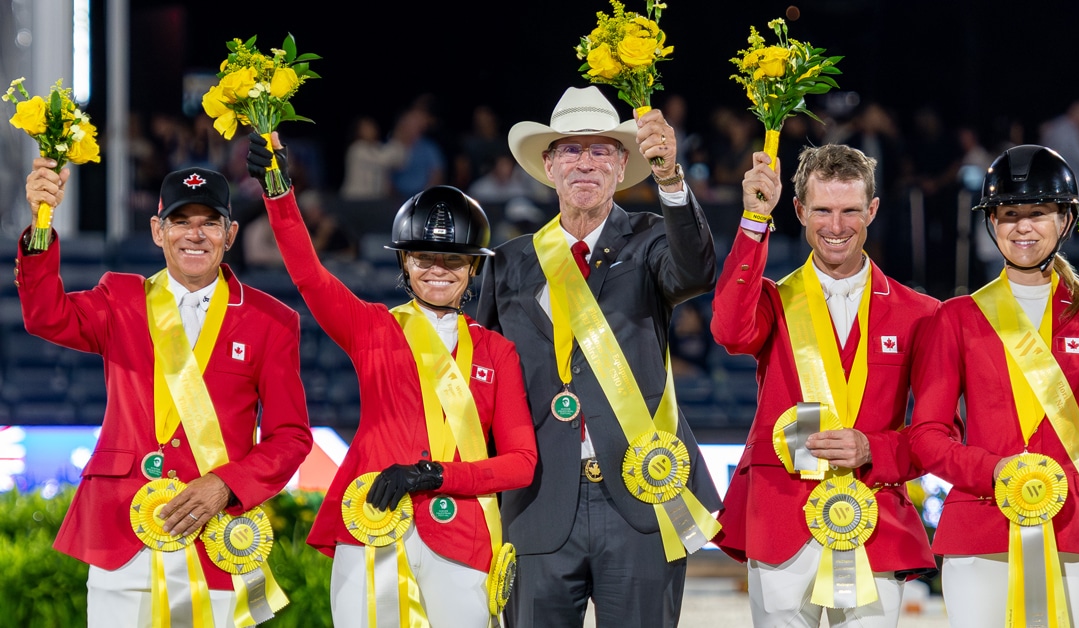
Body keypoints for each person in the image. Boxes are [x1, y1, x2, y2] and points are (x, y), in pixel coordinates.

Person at [247, 133, 537, 627]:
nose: (437, 270)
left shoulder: (497, 352)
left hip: (462, 533)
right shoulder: (372, 328)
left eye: (453, 260)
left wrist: (437, 475)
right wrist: (279, 191)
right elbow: (310, 276)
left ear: (473, 268)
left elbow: (521, 463)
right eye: (423, 257)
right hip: (371, 524)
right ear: (404, 261)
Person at [19, 158, 313, 626]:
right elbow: (45, 316)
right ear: (158, 231)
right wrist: (41, 220)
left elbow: (292, 436)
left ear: (231, 234)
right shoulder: (119, 299)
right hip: (122, 537)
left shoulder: (272, 321)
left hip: (217, 540)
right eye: (180, 222)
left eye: (209, 223)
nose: (194, 235)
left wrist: (226, 485)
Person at [476, 85, 723, 628]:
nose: (585, 162)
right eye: (571, 149)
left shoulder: (653, 239)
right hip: (538, 502)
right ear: (548, 164)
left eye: (600, 150)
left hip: (641, 497)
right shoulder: (509, 263)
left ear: (620, 166)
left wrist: (671, 182)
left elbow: (698, 271)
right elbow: (480, 379)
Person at [908, 145, 1079, 627]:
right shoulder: (955, 318)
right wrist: (996, 470)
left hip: (1077, 530)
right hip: (981, 528)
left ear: (1064, 220)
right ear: (991, 222)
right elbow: (927, 436)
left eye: (1038, 212)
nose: (1022, 226)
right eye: (1008, 214)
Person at [711, 144, 938, 628]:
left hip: (872, 517)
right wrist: (754, 220)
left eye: (850, 210)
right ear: (798, 210)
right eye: (822, 211)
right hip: (780, 518)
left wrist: (873, 447)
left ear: (872, 210)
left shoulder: (920, 313)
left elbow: (939, 431)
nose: (837, 226)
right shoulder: (771, 301)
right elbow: (729, 331)